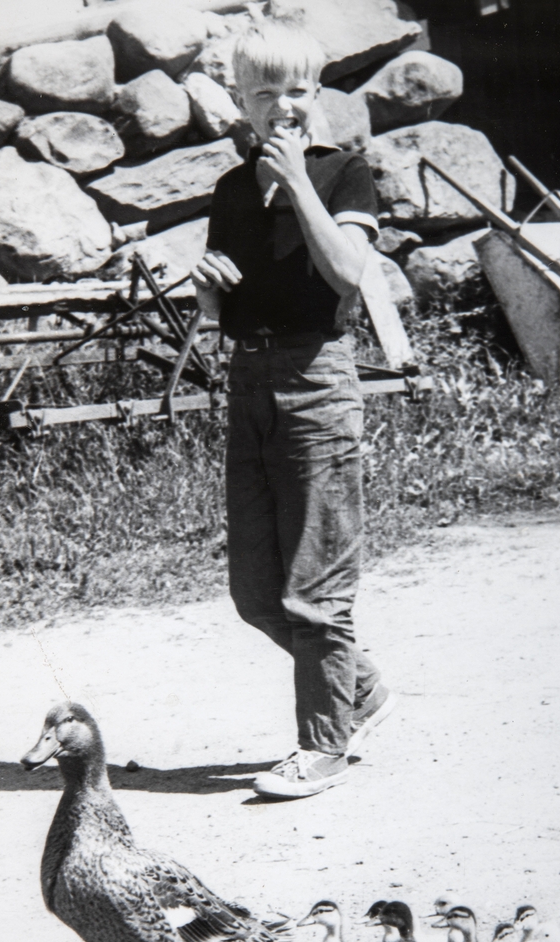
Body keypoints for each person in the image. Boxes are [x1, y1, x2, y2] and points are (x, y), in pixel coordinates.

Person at [191, 18, 396, 799]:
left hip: (317, 382)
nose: (283, 105)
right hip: (250, 384)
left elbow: (347, 274)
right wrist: (209, 288)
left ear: (317, 96)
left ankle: (322, 747)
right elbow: (226, 307)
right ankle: (361, 692)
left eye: (298, 90)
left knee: (314, 585)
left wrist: (300, 182)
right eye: (265, 92)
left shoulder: (344, 173)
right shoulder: (230, 191)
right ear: (240, 102)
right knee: (254, 594)